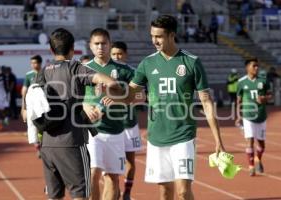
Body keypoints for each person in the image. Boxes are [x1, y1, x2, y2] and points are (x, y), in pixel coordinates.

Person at [109, 15, 225, 200]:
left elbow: (206, 101)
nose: (155, 40)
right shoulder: (147, 63)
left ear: (172, 35)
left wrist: (218, 139)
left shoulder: (191, 62)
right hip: (156, 137)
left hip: (183, 135)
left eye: (159, 36)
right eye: (152, 36)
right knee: (164, 192)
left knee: (183, 191)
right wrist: (112, 92)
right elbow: (130, 94)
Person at [32, 28, 123, 200]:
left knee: (54, 196)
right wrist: (112, 90)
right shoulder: (75, 68)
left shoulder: (42, 72)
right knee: (80, 194)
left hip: (48, 145)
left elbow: (27, 110)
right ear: (73, 49)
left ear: (51, 50)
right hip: (72, 143)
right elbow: (108, 81)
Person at [84, 29, 135, 200]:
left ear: (110, 45)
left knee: (112, 177)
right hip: (92, 132)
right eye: (96, 44)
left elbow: (140, 96)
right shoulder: (83, 69)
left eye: (103, 43)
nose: (100, 47)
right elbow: (71, 97)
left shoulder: (125, 70)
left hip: (116, 131)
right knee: (93, 172)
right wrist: (84, 106)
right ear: (90, 46)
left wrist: (118, 98)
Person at [110, 41, 143, 200]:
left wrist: (121, 97)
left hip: (129, 124)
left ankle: (127, 192)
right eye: (114, 54)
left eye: (120, 54)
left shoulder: (133, 72)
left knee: (130, 161)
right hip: (109, 125)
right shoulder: (104, 71)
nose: (117, 56)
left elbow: (140, 97)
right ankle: (114, 191)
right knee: (112, 164)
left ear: (126, 54)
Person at [235, 58, 272, 176]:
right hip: (248, 115)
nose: (256, 68)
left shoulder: (263, 81)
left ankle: (258, 159)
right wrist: (238, 116)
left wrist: (264, 99)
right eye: (254, 66)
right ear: (247, 67)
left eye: (257, 66)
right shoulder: (241, 82)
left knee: (261, 144)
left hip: (261, 115)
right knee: (250, 140)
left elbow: (270, 95)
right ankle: (251, 166)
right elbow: (239, 100)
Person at [21, 55, 43, 123]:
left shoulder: (45, 73)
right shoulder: (28, 75)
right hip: (32, 102)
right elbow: (24, 90)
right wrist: (23, 108)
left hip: (43, 102)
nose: (33, 65)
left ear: (40, 63)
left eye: (35, 63)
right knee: (32, 122)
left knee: (43, 121)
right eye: (31, 63)